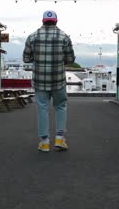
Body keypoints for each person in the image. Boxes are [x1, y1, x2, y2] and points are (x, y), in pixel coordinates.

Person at [23, 10, 76, 152]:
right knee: (61, 106)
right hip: (58, 79)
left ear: (42, 21)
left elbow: (26, 59)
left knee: (42, 108)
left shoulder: (32, 37)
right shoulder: (64, 37)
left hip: (40, 80)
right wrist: (59, 59)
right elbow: (71, 59)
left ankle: (45, 142)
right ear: (56, 21)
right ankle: (60, 139)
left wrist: (39, 58)